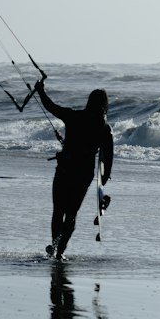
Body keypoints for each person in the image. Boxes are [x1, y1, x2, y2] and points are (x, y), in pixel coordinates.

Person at [35, 79, 113, 259]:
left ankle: (54, 247)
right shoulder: (104, 129)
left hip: (64, 170)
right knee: (71, 215)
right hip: (83, 175)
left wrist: (40, 91)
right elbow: (107, 161)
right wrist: (103, 183)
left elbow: (51, 107)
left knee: (58, 211)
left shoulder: (73, 117)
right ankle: (60, 252)